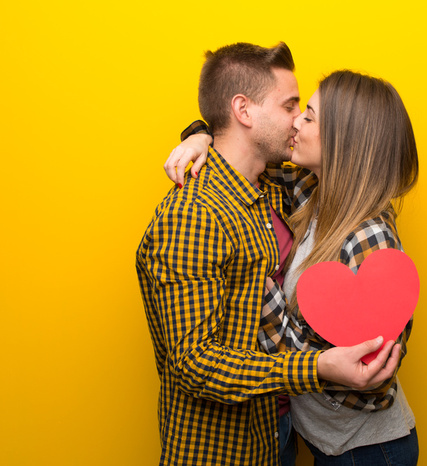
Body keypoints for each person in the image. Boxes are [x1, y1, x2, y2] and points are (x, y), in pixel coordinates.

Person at [136, 42, 402, 466]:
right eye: (291, 106)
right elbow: (194, 365)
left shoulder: (277, 189)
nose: (298, 120)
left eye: (306, 112)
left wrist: (202, 132)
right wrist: (315, 367)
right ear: (244, 111)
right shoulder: (196, 214)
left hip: (283, 433)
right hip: (224, 448)